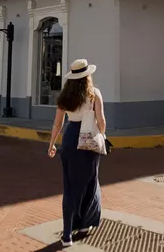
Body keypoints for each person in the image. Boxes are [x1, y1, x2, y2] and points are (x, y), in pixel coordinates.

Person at [48, 59, 105, 248]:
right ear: (87, 76)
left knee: (70, 187)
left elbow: (58, 123)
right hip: (88, 139)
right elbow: (101, 121)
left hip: (71, 139)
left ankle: (67, 234)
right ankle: (84, 224)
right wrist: (102, 135)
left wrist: (51, 144)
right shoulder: (94, 94)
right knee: (90, 182)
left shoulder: (64, 96)